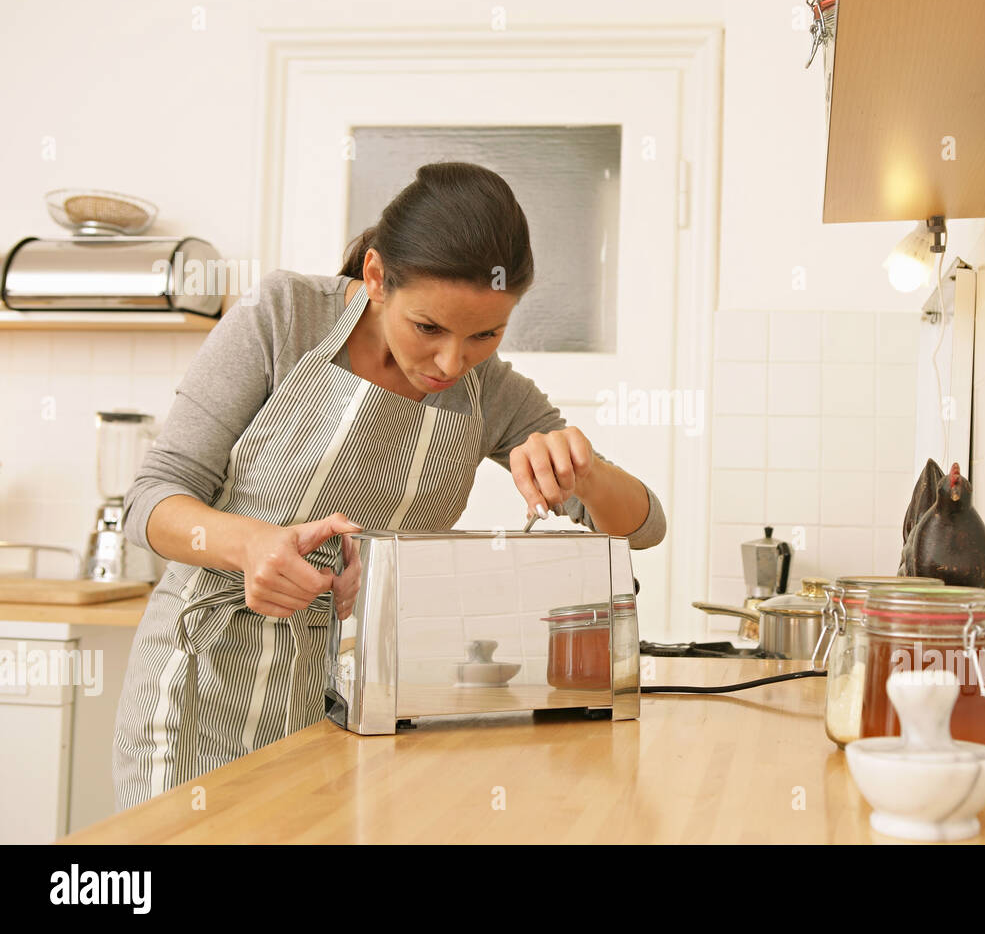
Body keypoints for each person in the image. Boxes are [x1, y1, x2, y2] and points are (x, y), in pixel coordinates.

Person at [112, 161, 666, 810]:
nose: (452, 363)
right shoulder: (285, 317)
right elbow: (151, 497)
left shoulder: (493, 395)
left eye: (485, 334)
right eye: (428, 328)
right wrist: (250, 546)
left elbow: (643, 527)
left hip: (343, 706)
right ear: (375, 278)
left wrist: (587, 470)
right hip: (194, 696)